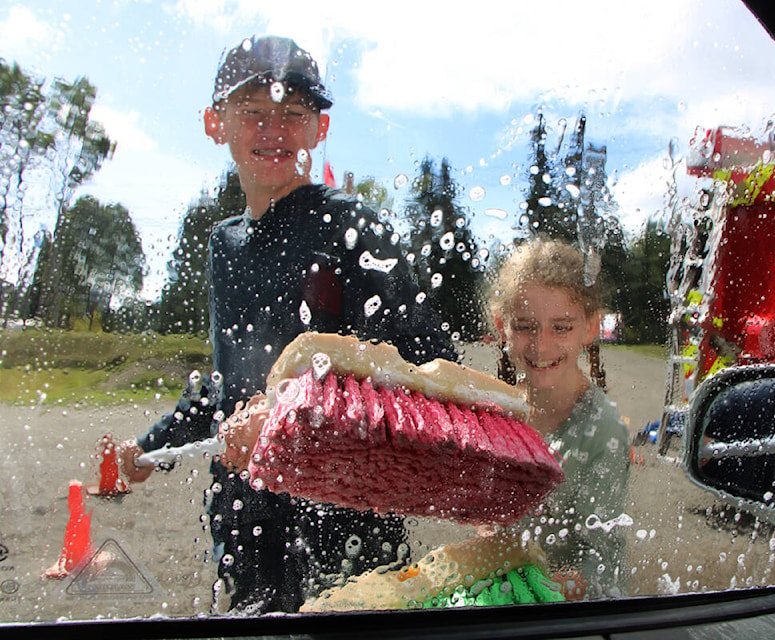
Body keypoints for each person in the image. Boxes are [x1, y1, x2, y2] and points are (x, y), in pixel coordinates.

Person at [118, 35, 455, 614]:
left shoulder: (352, 227)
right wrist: (150, 449)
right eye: (252, 111)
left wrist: (286, 420)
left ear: (319, 129)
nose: (274, 127)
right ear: (213, 123)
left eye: (293, 113)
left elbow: (424, 364)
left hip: (345, 529)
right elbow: (232, 388)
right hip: (247, 526)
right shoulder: (223, 245)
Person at [488, 240, 631, 599]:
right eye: (525, 326)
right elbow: (490, 519)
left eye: (561, 327)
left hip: (572, 617)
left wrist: (536, 591)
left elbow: (602, 557)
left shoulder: (603, 431)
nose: (542, 345)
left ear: (589, 327)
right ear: (501, 325)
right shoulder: (499, 412)